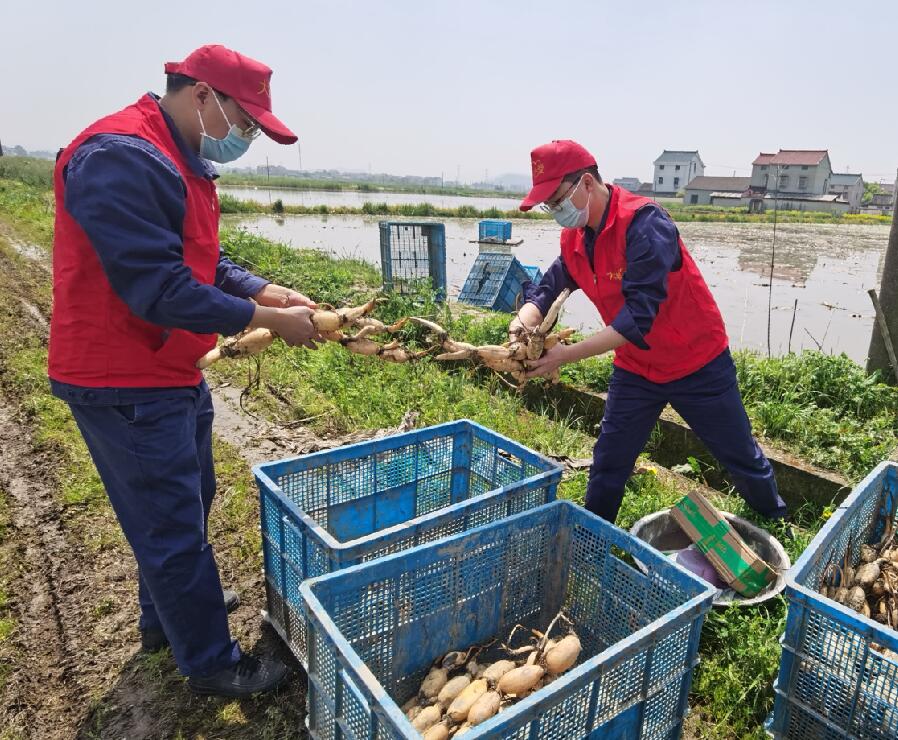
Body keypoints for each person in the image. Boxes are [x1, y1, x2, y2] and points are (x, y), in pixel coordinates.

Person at [48, 44, 320, 697]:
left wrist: (266, 289)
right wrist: (264, 318)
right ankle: (212, 664)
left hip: (168, 367)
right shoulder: (121, 156)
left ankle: (161, 623)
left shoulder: (176, 156)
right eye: (246, 124)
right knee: (170, 522)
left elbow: (202, 260)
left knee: (185, 502)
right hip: (124, 374)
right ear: (202, 95)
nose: (247, 138)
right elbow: (159, 288)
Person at [512, 140, 787, 524]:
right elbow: (554, 282)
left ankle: (774, 520)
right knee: (610, 458)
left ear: (586, 183)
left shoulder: (645, 224)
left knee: (737, 453)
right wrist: (524, 320)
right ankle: (595, 536)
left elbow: (638, 318)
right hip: (638, 367)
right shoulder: (575, 237)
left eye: (557, 200)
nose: (555, 211)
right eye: (548, 205)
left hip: (697, 361)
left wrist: (563, 355)